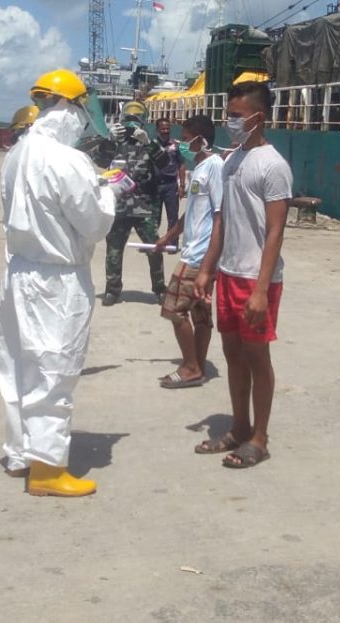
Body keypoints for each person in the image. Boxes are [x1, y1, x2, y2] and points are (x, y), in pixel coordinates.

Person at [0, 68, 121, 497]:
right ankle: (47, 470)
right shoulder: (69, 160)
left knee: (18, 368)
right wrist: (108, 192)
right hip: (57, 279)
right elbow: (94, 223)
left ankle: (20, 454)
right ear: (69, 108)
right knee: (54, 369)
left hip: (19, 272)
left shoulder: (17, 153)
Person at [194, 81, 292, 468]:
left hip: (256, 279)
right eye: (228, 114)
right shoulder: (232, 160)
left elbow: (275, 231)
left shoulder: (273, 166)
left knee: (256, 355)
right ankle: (239, 427)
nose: (229, 121)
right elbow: (222, 220)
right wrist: (207, 269)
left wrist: (261, 290)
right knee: (232, 353)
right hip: (229, 273)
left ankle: (259, 438)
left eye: (236, 115)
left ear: (258, 117)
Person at [153, 115, 222, 389]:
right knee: (200, 315)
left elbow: (220, 215)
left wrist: (209, 261)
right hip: (196, 253)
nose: (181, 143)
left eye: (185, 138)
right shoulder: (200, 168)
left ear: (200, 140)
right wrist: (168, 237)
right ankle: (198, 366)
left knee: (174, 309)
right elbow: (191, 213)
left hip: (198, 257)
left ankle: (191, 366)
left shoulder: (215, 167)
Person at [93, 100, 168, 306]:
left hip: (144, 206)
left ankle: (160, 288)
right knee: (114, 249)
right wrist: (109, 140)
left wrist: (149, 143)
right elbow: (100, 161)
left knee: (154, 248)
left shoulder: (148, 142)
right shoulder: (116, 141)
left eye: (136, 117)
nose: (132, 122)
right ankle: (112, 290)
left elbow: (164, 163)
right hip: (119, 206)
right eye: (129, 117)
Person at [153, 117, 182, 231]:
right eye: (163, 129)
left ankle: (172, 241)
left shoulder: (176, 145)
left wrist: (182, 185)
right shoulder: (152, 145)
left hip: (171, 186)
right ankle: (153, 240)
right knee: (154, 218)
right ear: (157, 130)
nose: (165, 131)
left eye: (167, 128)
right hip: (155, 186)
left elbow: (181, 165)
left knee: (173, 217)